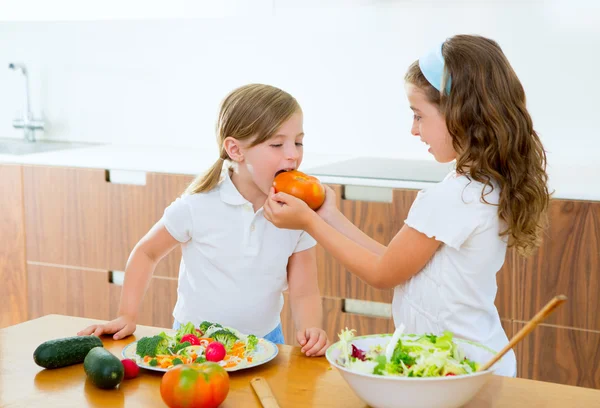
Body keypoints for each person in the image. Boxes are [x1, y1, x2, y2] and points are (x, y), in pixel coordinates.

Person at [264, 35, 551, 375]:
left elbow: (382, 274)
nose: (414, 130)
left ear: (459, 113)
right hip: (474, 360)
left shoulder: (453, 197)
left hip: (459, 369)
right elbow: (396, 263)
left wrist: (310, 224)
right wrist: (329, 215)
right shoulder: (481, 185)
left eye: (419, 115)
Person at [79, 84, 330, 357]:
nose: (293, 153)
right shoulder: (197, 206)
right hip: (194, 342)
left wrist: (311, 328)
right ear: (235, 150)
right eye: (277, 144)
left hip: (266, 342)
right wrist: (126, 314)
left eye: (298, 141)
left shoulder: (299, 214)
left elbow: (304, 290)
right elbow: (146, 252)